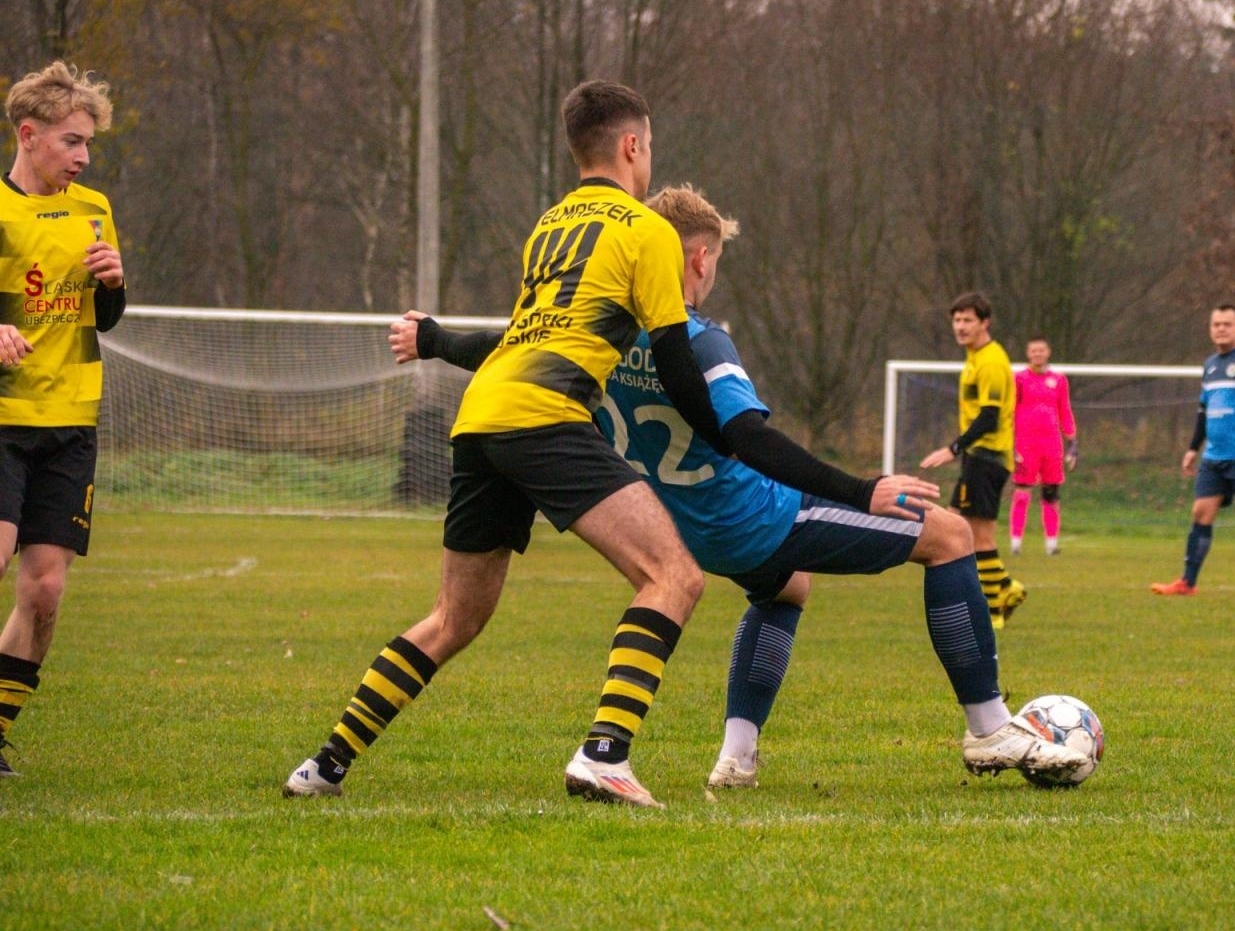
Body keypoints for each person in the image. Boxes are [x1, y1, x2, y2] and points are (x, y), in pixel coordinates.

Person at [392, 186, 1090, 790]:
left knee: (787, 589)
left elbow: (503, 346)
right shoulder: (698, 340)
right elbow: (750, 438)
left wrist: (434, 341)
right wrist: (862, 489)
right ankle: (989, 727)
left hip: (674, 528)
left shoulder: (600, 334)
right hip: (753, 516)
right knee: (950, 536)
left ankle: (737, 757)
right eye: (715, 259)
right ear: (700, 259)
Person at [284, 81, 743, 810]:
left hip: (481, 418)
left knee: (454, 618)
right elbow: (678, 364)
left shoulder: (549, 225)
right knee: (674, 576)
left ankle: (325, 765)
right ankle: (605, 755)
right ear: (632, 145)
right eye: (649, 144)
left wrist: (438, 341)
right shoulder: (646, 231)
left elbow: (524, 337)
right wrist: (736, 441)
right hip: (545, 416)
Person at [0, 62, 127, 778]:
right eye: (71, 142)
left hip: (71, 419)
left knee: (45, 592)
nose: (82, 157)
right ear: (29, 135)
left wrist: (113, 283)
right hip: (3, 415)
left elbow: (105, 318)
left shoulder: (94, 208)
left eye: (88, 145)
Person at [1151, 303, 1235, 599]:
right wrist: (1192, 448)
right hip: (1214, 456)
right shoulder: (1210, 365)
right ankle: (1187, 582)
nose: (1221, 329)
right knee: (1201, 512)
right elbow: (1203, 410)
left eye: (1227, 324)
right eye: (1216, 324)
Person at [918, 293, 1025, 630]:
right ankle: (1004, 587)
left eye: (968, 320)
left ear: (984, 323)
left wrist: (953, 448)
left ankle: (994, 608)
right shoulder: (976, 357)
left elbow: (990, 417)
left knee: (976, 535)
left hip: (987, 458)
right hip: (981, 457)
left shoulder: (990, 361)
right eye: (957, 320)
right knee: (954, 524)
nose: (960, 326)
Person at [1010, 336, 1077, 556]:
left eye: (1041, 350)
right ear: (1028, 354)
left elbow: (1064, 410)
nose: (1037, 354)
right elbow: (1010, 410)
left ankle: (1051, 545)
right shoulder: (1019, 379)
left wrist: (1072, 441)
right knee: (1022, 493)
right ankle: (1015, 543)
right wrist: (1010, 442)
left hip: (1051, 444)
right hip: (1025, 444)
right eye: (1034, 350)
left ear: (1048, 352)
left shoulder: (1059, 380)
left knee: (1051, 493)